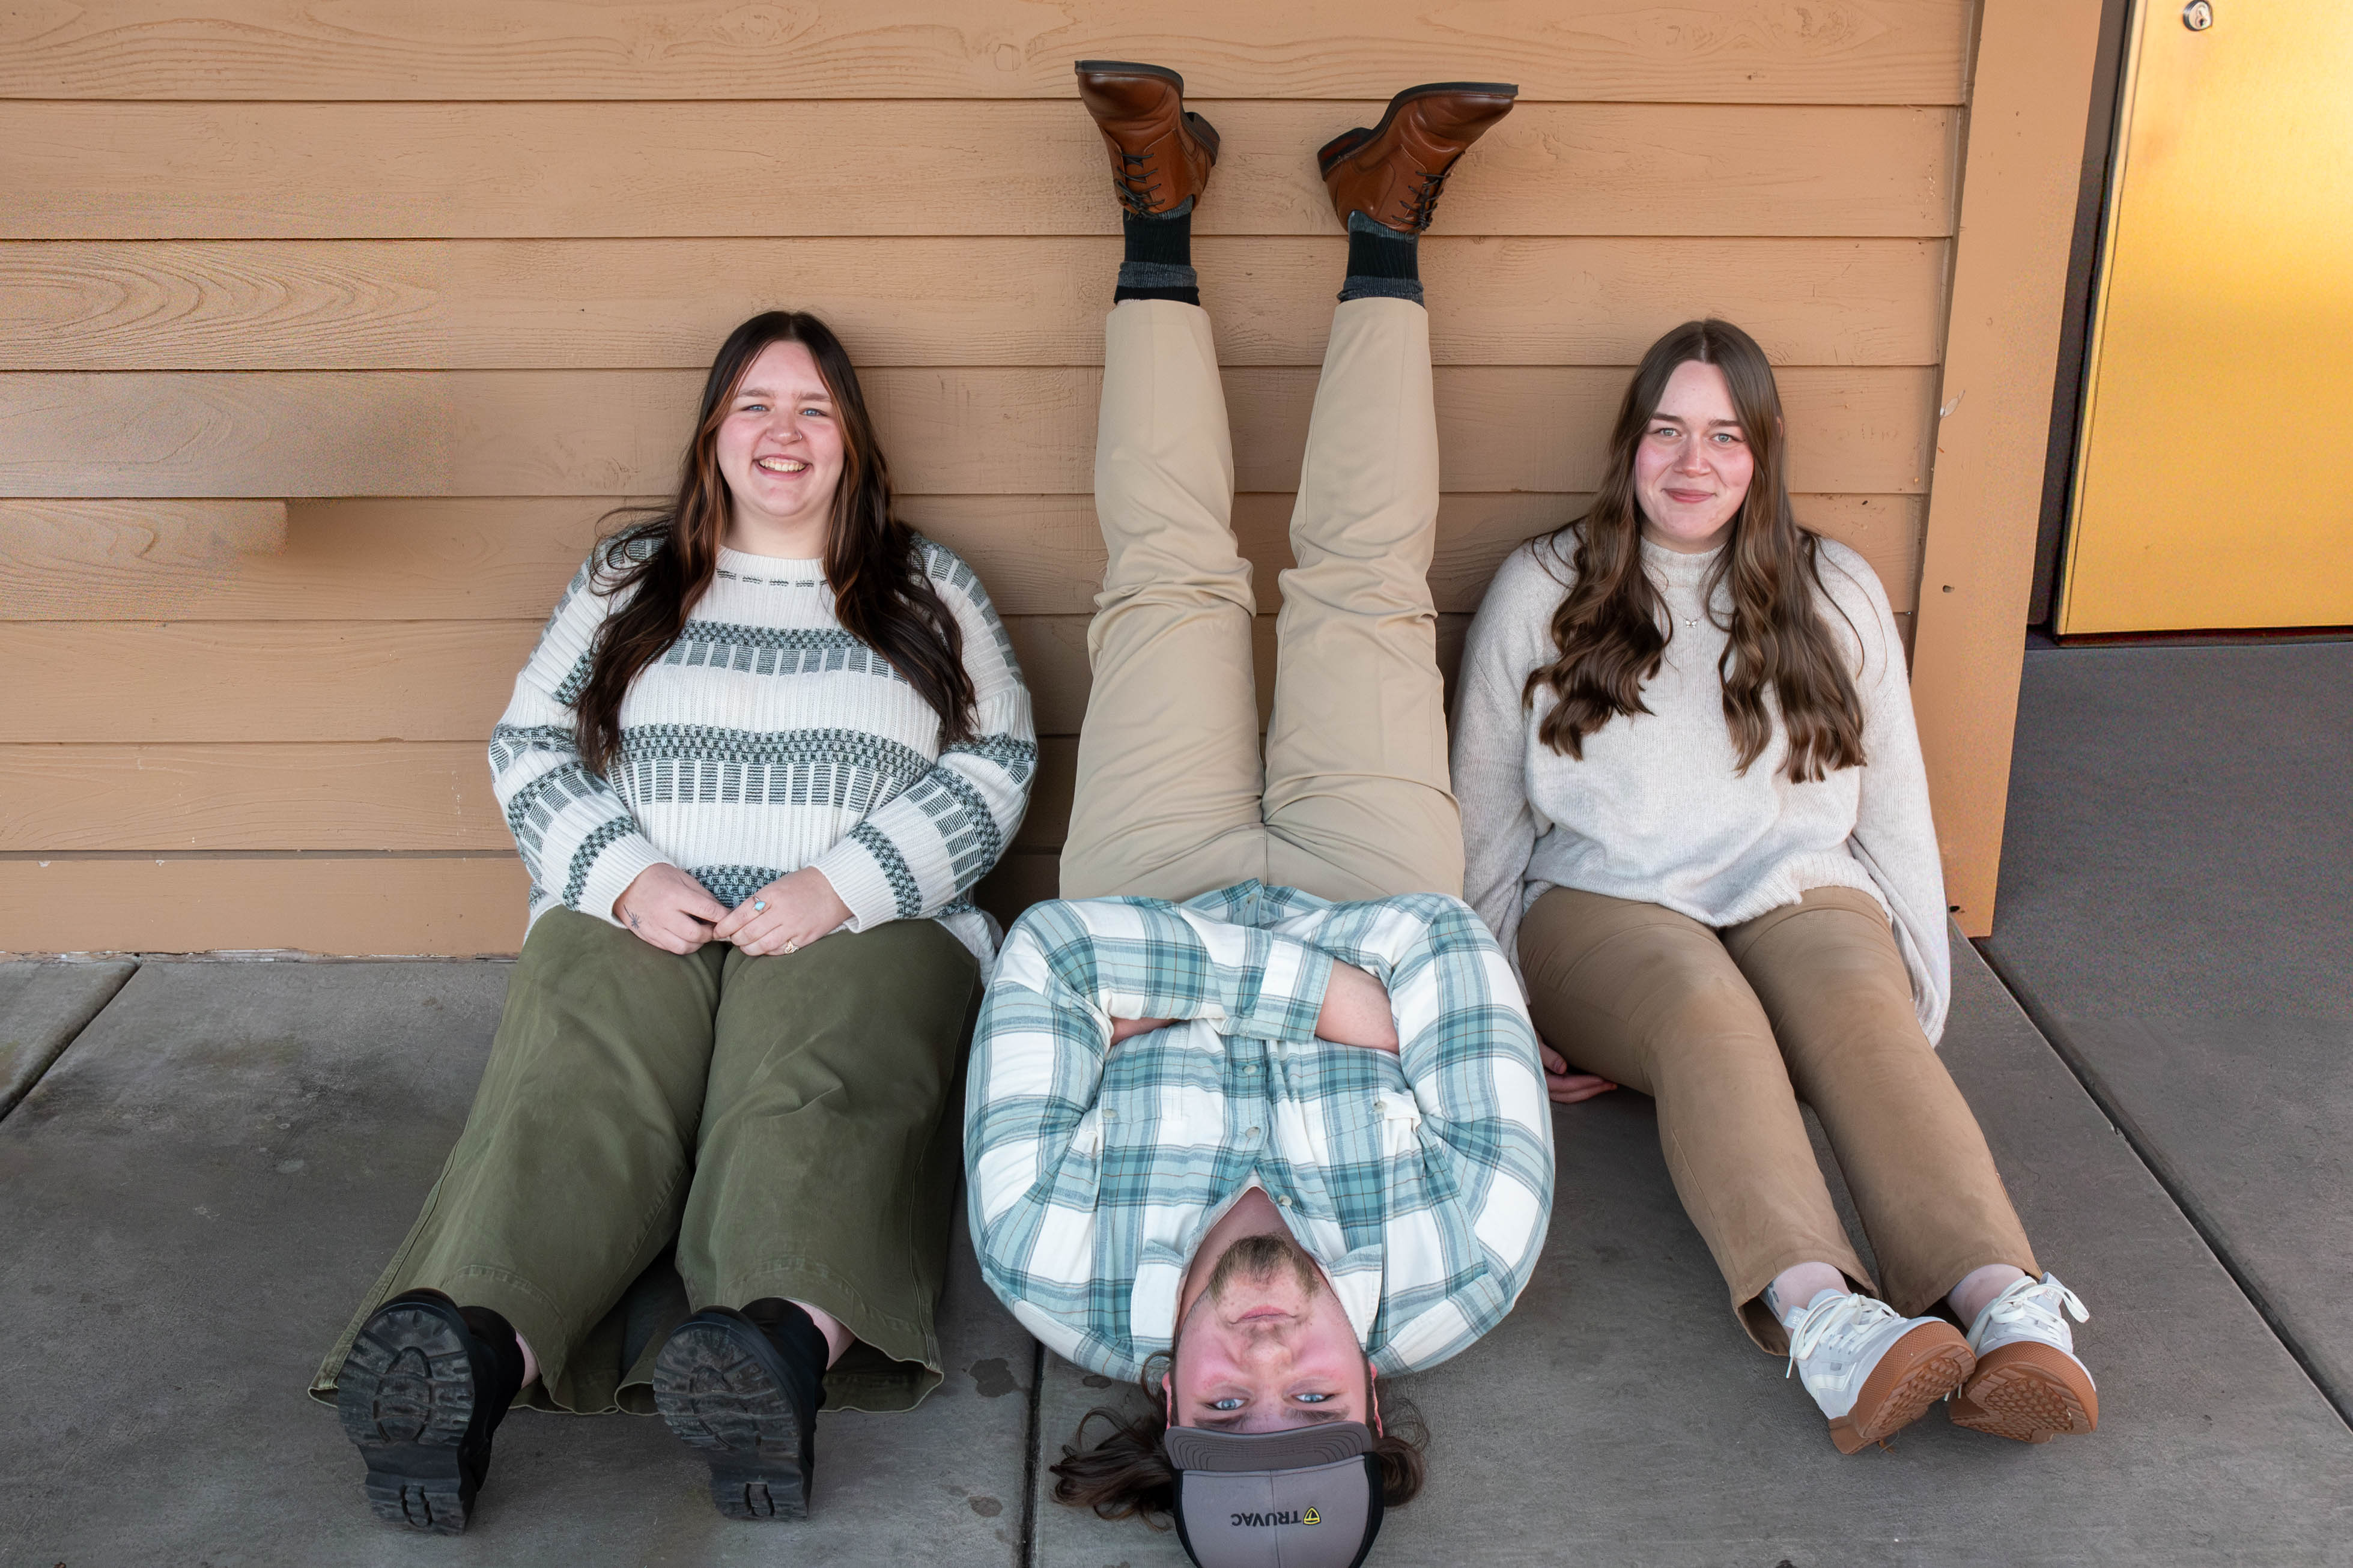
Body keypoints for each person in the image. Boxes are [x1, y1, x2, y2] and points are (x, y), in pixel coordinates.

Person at [309, 310, 1037, 1532]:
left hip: (862, 925)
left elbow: (998, 760)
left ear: (853, 440)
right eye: (755, 405)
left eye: (814, 409)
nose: (784, 433)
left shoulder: (927, 586)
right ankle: (475, 1359)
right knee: (577, 1077)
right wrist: (622, 873)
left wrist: (849, 883)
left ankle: (772, 1355)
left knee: (811, 1081)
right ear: (712, 433)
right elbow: (532, 744)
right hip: (644, 911)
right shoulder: (627, 579)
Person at [964, 64, 1551, 1566]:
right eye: (1315, 1400)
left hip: (1152, 883)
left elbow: (1044, 959)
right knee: (1364, 584)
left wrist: (1341, 1008)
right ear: (1374, 1402)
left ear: (1164, 1399)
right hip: (1372, 885)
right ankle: (1383, 229)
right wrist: (1277, 993)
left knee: (1167, 575)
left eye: (1231, 1409)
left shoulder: (1049, 1259)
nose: (1274, 1351)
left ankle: (1155, 217)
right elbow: (1457, 957)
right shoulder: (1468, 1263)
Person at [1452, 316, 2099, 1451]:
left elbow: (1892, 805)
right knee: (1707, 1014)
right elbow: (1482, 813)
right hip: (1599, 908)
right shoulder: (1542, 587)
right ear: (1629, 444)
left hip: (1798, 888)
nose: (1691, 463)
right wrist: (1491, 1007)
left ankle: (2005, 1304)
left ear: (1763, 454)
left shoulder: (1830, 587)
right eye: (1666, 431)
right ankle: (1827, 1323)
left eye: (1723, 436)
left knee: (1860, 1020)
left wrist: (1915, 996)